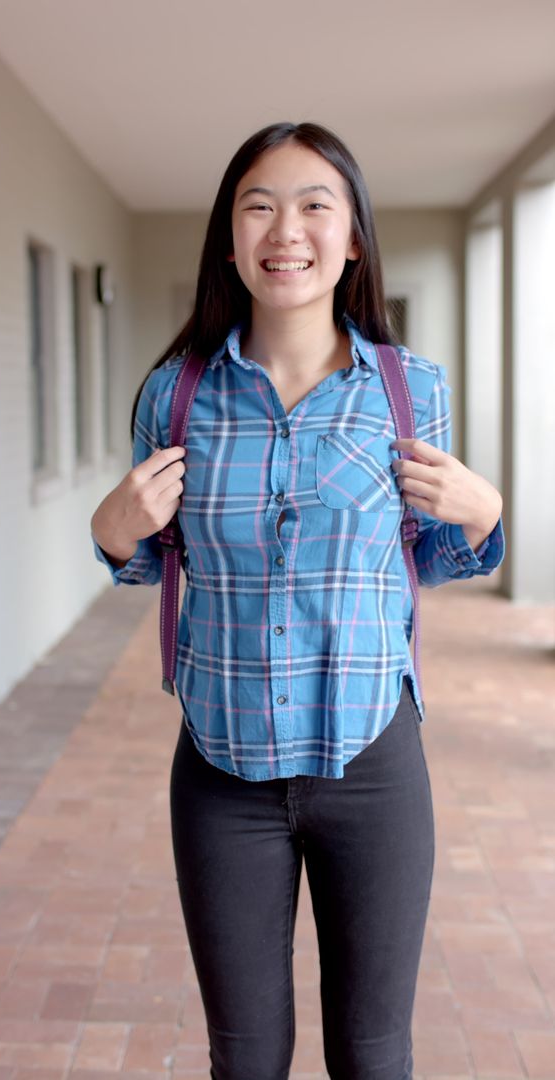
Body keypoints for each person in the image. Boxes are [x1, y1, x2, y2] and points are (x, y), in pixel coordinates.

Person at [91, 121, 505, 1080]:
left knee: (374, 1055)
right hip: (221, 768)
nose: (288, 228)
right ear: (230, 240)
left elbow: (430, 559)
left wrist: (486, 516)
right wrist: (113, 534)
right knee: (245, 1059)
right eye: (259, 205)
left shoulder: (409, 391)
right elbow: (150, 558)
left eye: (317, 204)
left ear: (353, 236)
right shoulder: (176, 395)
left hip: (375, 761)